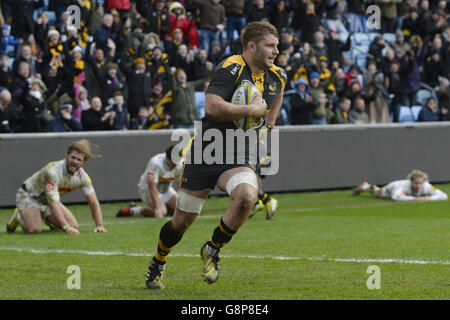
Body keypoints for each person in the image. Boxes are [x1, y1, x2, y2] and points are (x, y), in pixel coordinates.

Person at [144, 21, 286, 290]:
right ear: (251, 46)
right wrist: (249, 111)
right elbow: (212, 108)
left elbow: (273, 107)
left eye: (277, 45)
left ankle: (212, 249)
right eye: (270, 45)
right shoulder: (229, 68)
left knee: (246, 198)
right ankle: (158, 261)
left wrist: (264, 131)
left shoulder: (277, 76)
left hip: (238, 152)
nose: (276, 50)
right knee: (181, 222)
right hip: (207, 150)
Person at [6, 139, 108, 235]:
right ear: (66, 156)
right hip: (29, 197)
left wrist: (99, 225)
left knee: (74, 226)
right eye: (73, 157)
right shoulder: (53, 171)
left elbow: (93, 202)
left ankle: (49, 220)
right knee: (34, 229)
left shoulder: (83, 177)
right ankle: (18, 215)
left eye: (79, 159)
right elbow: (53, 203)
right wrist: (65, 227)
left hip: (47, 200)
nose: (75, 161)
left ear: (83, 162)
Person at [116, 145, 183, 219]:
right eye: (172, 164)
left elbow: (182, 185)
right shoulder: (156, 163)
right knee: (162, 211)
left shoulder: (181, 164)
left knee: (181, 210)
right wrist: (158, 208)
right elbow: (152, 187)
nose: (174, 167)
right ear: (167, 158)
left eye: (176, 164)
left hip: (165, 189)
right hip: (147, 189)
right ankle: (131, 210)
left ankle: (165, 207)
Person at [353, 169, 448, 202]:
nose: (418, 185)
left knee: (377, 191)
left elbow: (444, 196)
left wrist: (430, 199)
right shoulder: (403, 185)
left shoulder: (427, 186)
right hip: (392, 187)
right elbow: (395, 197)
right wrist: (415, 199)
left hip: (404, 192)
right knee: (377, 193)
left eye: (420, 183)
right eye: (416, 183)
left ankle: (368, 186)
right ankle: (365, 186)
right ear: (411, 181)